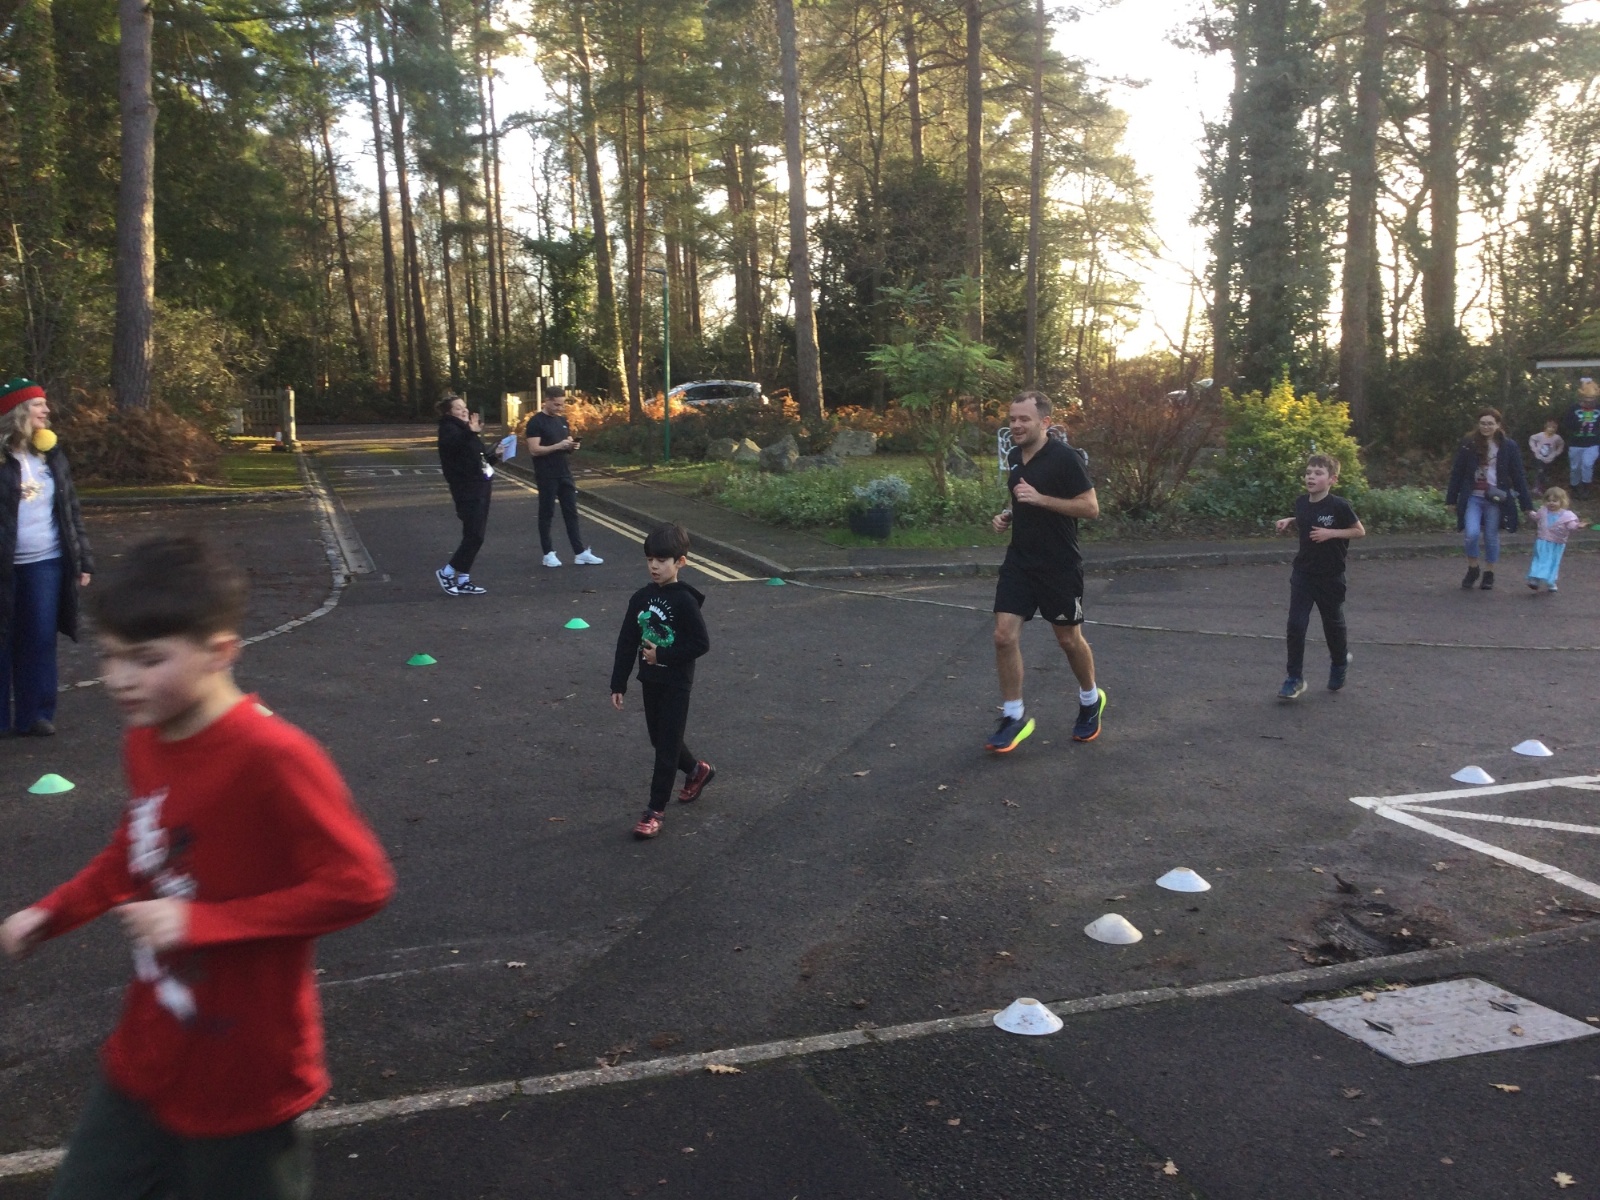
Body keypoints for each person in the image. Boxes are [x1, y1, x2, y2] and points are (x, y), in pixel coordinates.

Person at [0, 534, 393, 1200]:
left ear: (220, 651)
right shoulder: (145, 738)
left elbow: (361, 884)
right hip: (147, 1054)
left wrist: (199, 923)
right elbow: (137, 848)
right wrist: (52, 912)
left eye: (147, 659)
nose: (119, 679)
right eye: (109, 656)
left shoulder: (274, 757)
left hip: (244, 1069)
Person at [986, 390, 1104, 753]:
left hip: (1059, 565)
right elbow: (1020, 497)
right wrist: (1008, 515)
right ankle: (1014, 716)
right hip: (1020, 561)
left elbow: (1091, 508)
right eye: (1012, 419)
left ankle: (1090, 700)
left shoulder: (1066, 458)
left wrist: (1041, 500)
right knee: (1003, 636)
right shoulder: (1014, 456)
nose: (1016, 425)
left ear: (1045, 422)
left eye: (1024, 419)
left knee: (1068, 640)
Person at [0, 377, 92, 736]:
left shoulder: (50, 453)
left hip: (46, 563)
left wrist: (83, 559)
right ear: (19, 411)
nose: (47, 410)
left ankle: (35, 714)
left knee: (39, 638)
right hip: (5, 566)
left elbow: (70, 509)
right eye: (39, 404)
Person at [609, 523, 713, 840]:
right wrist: (618, 683)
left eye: (662, 560)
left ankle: (655, 810)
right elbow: (627, 641)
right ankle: (696, 770)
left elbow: (700, 644)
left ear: (680, 562)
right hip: (650, 680)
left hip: (677, 683)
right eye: (650, 559)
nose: (654, 566)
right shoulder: (641, 598)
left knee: (666, 747)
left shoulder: (685, 601)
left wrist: (662, 655)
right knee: (660, 739)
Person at [1272, 454, 1365, 699]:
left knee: (1332, 625)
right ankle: (1294, 678)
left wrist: (1331, 533)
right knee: (1295, 625)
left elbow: (1359, 531)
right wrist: (1290, 520)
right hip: (1303, 574)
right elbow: (1306, 518)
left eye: (1318, 473)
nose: (1311, 477)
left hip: (1331, 576)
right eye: (1308, 472)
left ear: (1332, 479)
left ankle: (1339, 662)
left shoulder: (1339, 506)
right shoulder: (1301, 502)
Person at [1445, 407, 1535, 591]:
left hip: (1495, 498)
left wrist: (1527, 505)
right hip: (1473, 496)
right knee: (1471, 534)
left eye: (1490, 424)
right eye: (1483, 423)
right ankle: (1473, 568)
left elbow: (1518, 476)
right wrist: (1451, 499)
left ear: (1498, 425)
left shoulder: (1508, 446)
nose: (1486, 427)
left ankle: (1489, 573)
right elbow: (1457, 472)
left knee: (1491, 536)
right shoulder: (1469, 443)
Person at [525, 387, 602, 568]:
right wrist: (559, 445)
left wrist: (571, 446)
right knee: (547, 513)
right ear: (546, 401)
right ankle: (548, 553)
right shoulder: (535, 422)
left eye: (562, 405)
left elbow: (565, 446)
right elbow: (534, 450)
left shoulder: (562, 421)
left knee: (571, 513)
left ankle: (580, 553)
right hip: (546, 474)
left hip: (564, 473)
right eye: (556, 404)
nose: (560, 408)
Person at [435, 393, 500, 595]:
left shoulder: (465, 430)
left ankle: (463, 579)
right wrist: (470, 433)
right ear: (449, 413)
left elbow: (479, 460)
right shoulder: (448, 429)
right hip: (467, 489)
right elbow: (454, 447)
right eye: (458, 408)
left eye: (464, 406)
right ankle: (446, 572)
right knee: (475, 535)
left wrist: (495, 455)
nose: (464, 410)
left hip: (481, 485)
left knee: (473, 535)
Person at [1527, 486, 1581, 593]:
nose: (1551, 503)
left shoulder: (1567, 515)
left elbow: (1571, 526)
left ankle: (1551, 581)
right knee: (1540, 559)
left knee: (1553, 562)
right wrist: (1530, 512)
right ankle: (1535, 579)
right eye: (1549, 500)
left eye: (1555, 501)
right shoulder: (1543, 511)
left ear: (1562, 501)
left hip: (1557, 543)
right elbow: (1537, 517)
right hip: (1542, 541)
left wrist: (1577, 526)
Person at [1561, 377, 1600, 496]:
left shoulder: (1598, 408)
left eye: (1592, 399)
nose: (1589, 401)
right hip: (1576, 443)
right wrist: (1579, 424)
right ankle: (1574, 487)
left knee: (1587, 464)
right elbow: (1566, 424)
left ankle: (1586, 487)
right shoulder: (1574, 408)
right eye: (1587, 399)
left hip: (1592, 443)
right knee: (1575, 467)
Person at [1529, 418, 1565, 495]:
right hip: (1539, 457)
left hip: (1549, 459)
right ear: (1546, 427)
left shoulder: (1556, 438)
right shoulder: (1540, 435)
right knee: (1540, 471)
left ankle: (1543, 488)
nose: (1551, 429)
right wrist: (1534, 449)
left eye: (1553, 428)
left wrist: (1557, 453)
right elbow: (1532, 439)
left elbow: (1561, 444)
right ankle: (1536, 488)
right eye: (1549, 427)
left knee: (1545, 473)